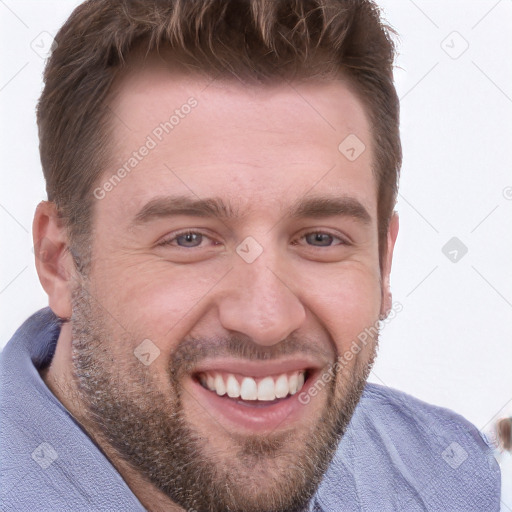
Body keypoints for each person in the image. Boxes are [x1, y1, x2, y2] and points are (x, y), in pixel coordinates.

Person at [0, 0, 501, 511]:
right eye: (189, 239)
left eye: (320, 239)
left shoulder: (446, 474)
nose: (266, 321)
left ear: (383, 262)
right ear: (59, 262)